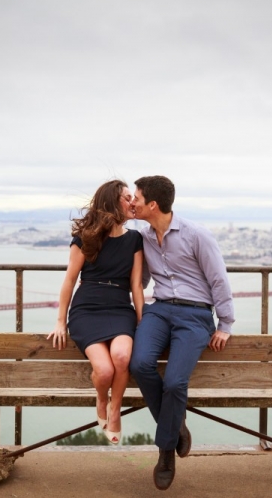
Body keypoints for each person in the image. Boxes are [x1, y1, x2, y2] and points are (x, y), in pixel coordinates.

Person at [128, 175, 235, 490]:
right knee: (140, 364)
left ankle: (165, 451)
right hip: (159, 310)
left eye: (136, 197)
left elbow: (219, 279)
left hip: (195, 314)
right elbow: (141, 279)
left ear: (153, 205)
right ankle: (176, 427)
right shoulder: (144, 237)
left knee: (175, 382)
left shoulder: (196, 235)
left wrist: (225, 324)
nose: (132, 202)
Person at [47, 179, 144, 445]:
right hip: (87, 309)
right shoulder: (85, 238)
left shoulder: (135, 239)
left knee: (122, 356)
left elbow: (136, 286)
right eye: (127, 197)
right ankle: (102, 399)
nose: (132, 202)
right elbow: (69, 280)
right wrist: (60, 321)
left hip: (119, 307)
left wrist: (141, 321)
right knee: (103, 371)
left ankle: (115, 410)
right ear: (113, 202)